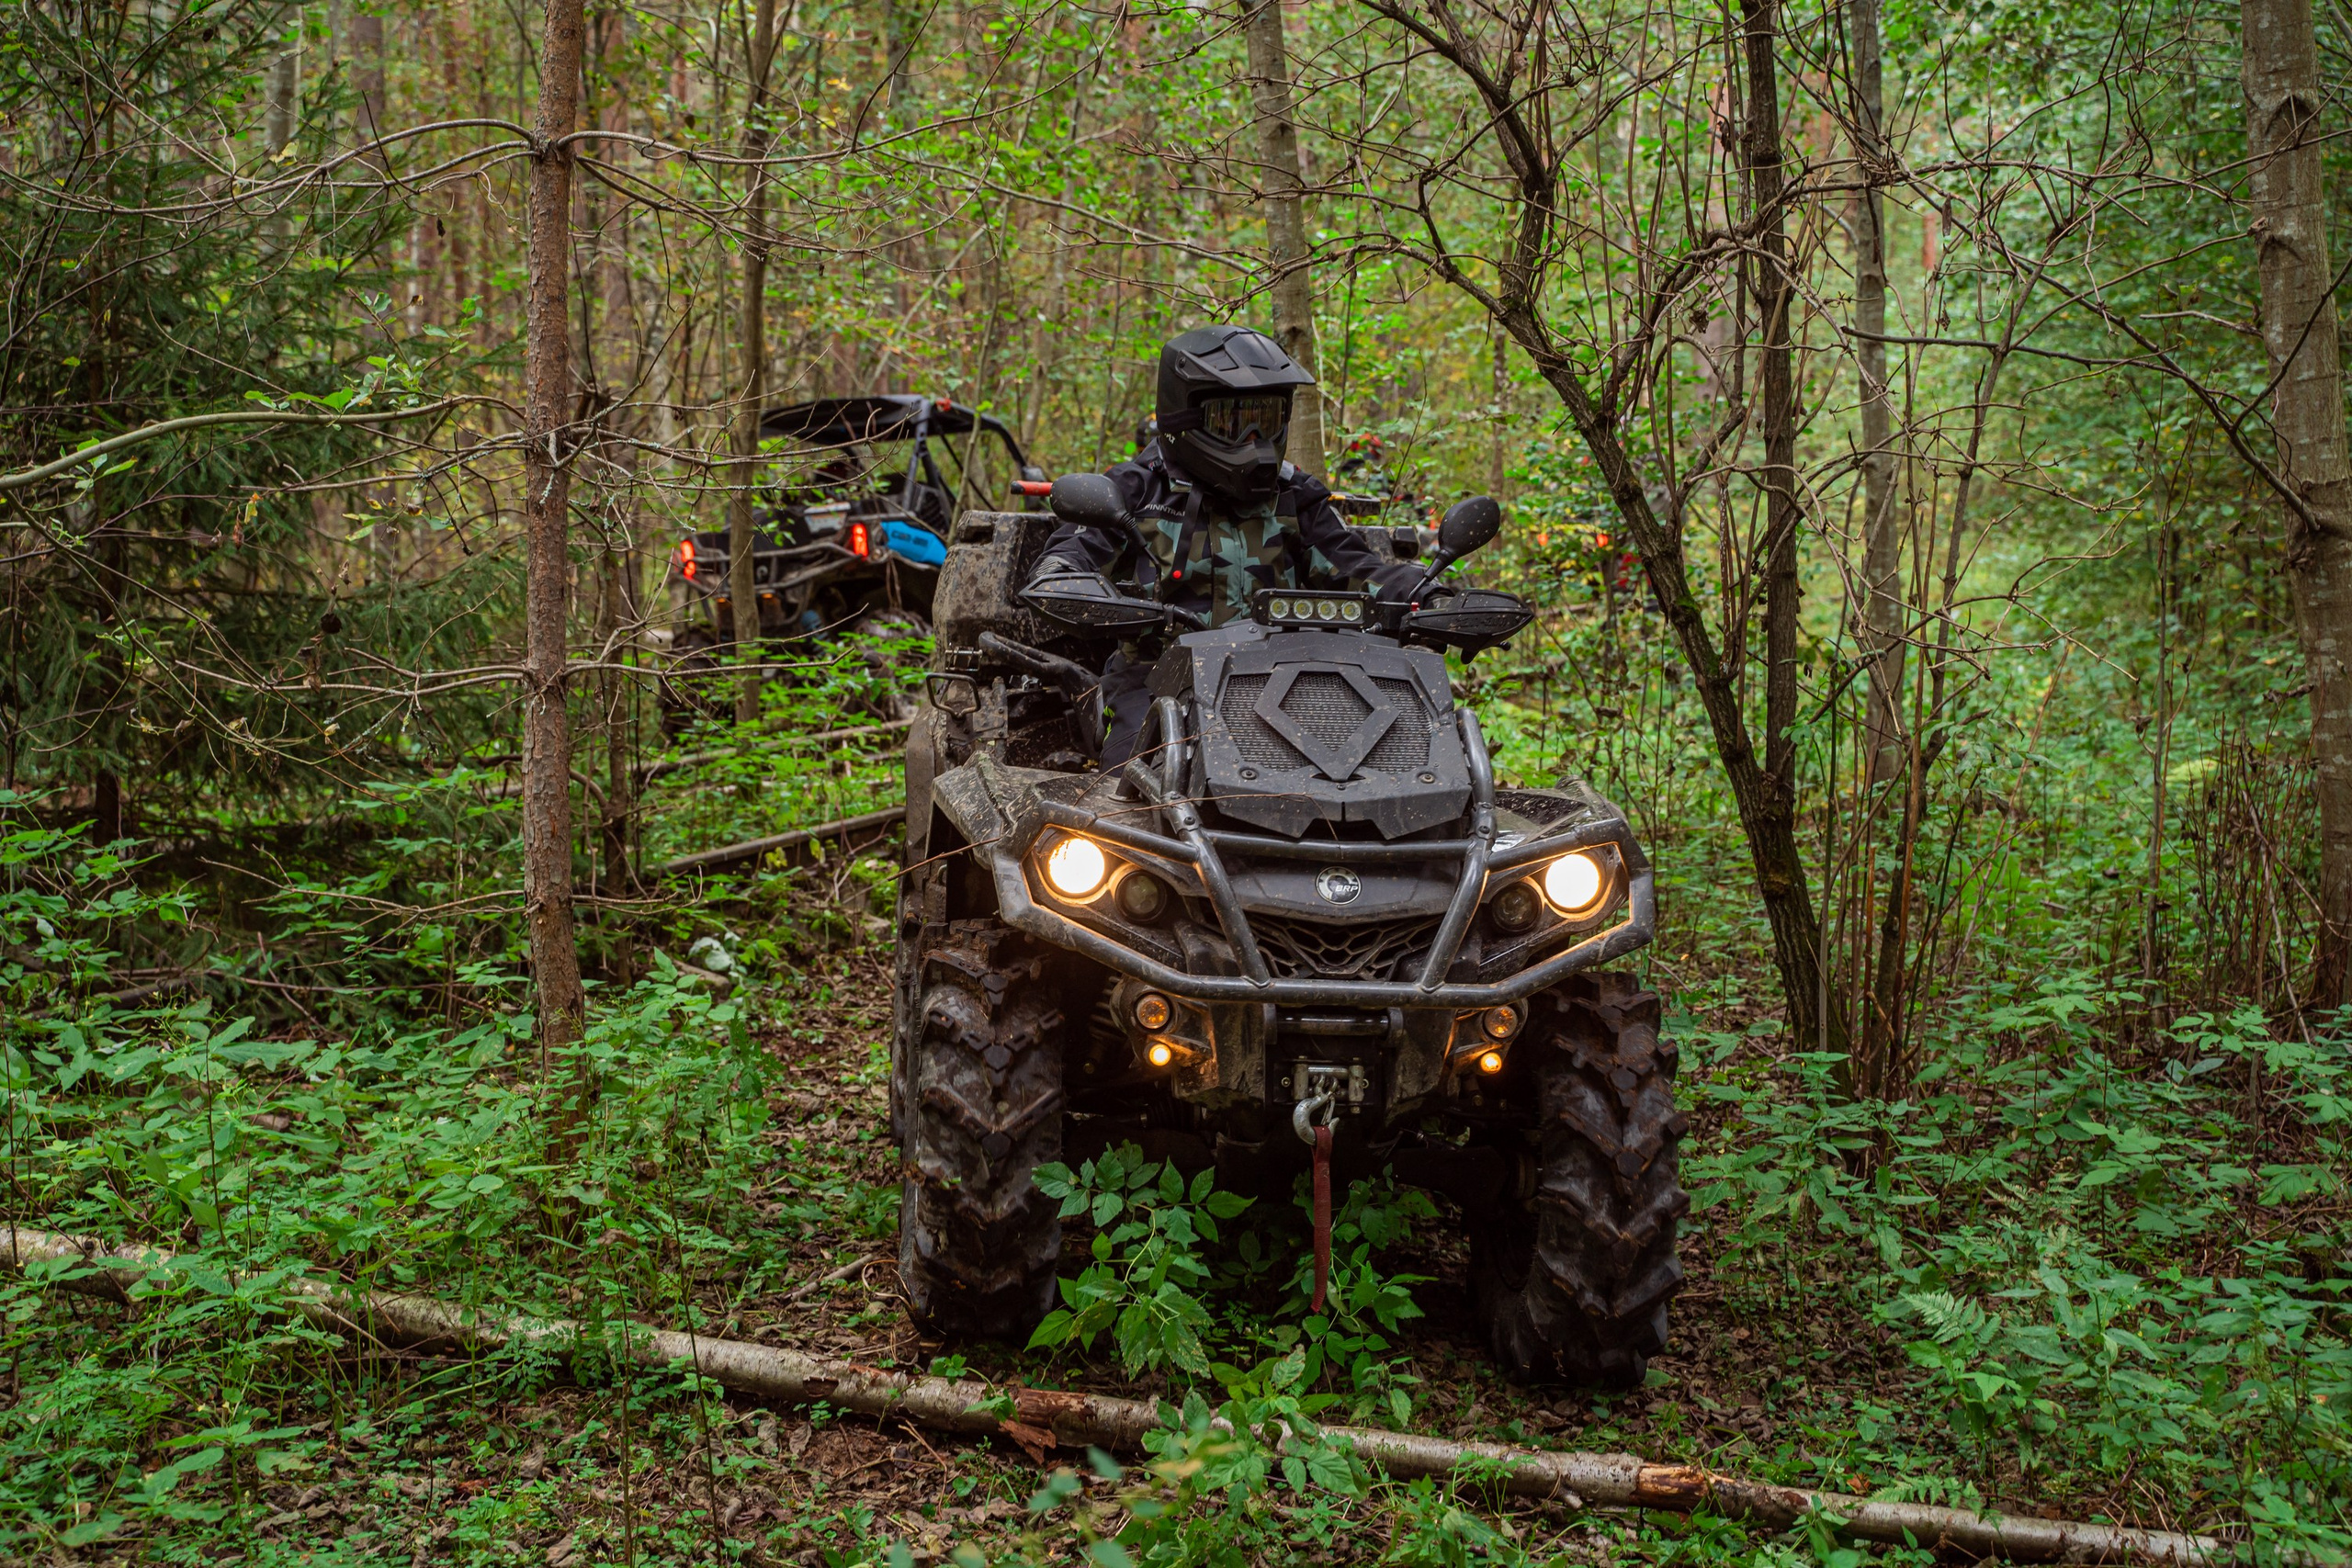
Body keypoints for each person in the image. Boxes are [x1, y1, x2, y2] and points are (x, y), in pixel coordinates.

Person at [1031, 325, 1430, 767]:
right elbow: (1068, 556)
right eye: (1233, 423)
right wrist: (1067, 583)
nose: (1254, 441)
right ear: (1185, 417)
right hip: (1157, 680)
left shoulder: (1295, 496)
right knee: (1129, 782)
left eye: (1269, 420)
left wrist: (1427, 594)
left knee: (1399, 764)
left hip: (1294, 681)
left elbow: (1360, 567)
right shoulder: (1134, 492)